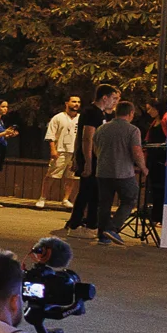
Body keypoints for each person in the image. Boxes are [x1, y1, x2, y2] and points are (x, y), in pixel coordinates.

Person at [90, 98, 146, 245]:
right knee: (129, 199)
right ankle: (112, 229)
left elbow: (95, 149)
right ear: (131, 113)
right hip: (123, 172)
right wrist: (143, 167)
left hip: (102, 171)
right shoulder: (132, 130)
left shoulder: (102, 128)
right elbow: (137, 151)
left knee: (104, 204)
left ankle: (102, 235)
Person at [65, 86, 116, 233]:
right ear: (104, 97)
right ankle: (76, 222)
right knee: (87, 191)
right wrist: (88, 162)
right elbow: (87, 138)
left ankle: (91, 222)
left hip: (96, 157)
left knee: (94, 192)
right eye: (113, 98)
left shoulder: (101, 113)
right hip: (91, 158)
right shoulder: (92, 112)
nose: (114, 102)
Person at [38, 95, 81, 209]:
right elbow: (51, 135)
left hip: (75, 152)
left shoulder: (81, 118)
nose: (76, 104)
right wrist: (53, 149)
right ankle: (43, 198)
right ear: (67, 103)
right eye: (74, 101)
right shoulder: (58, 117)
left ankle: (66, 199)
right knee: (51, 175)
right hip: (60, 150)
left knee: (71, 177)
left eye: (78, 102)